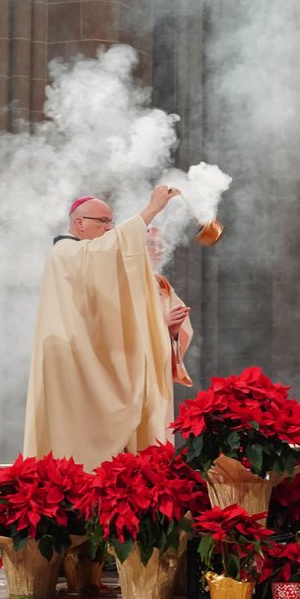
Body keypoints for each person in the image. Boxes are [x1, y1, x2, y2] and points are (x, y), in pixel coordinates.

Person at [23, 184, 182, 470]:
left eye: (111, 221)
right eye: (103, 221)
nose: (110, 228)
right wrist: (151, 210)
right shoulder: (65, 253)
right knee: (77, 453)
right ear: (79, 222)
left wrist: (162, 329)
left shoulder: (84, 254)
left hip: (89, 357)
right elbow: (111, 250)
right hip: (72, 365)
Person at [145, 227, 194, 393]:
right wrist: (160, 323)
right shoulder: (121, 281)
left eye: (161, 246)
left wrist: (174, 332)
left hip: (158, 372)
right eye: (151, 244)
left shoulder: (161, 284)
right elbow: (116, 331)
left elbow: (183, 331)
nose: (157, 251)